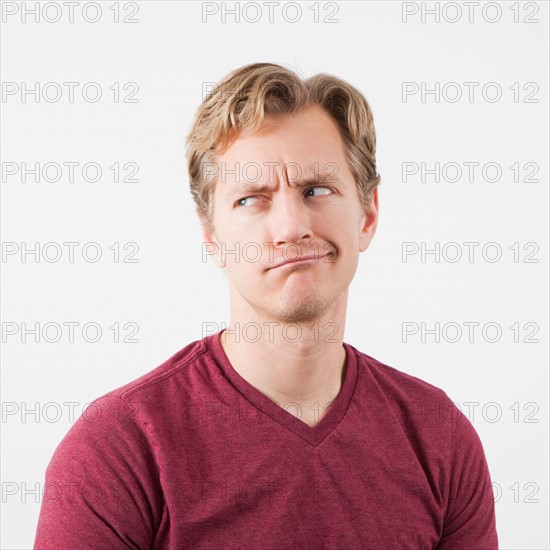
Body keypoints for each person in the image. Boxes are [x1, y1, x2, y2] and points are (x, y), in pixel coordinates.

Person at [34, 62, 498, 549]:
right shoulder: (118, 449)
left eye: (317, 189)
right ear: (211, 235)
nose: (291, 226)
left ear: (368, 214)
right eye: (252, 199)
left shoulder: (438, 436)